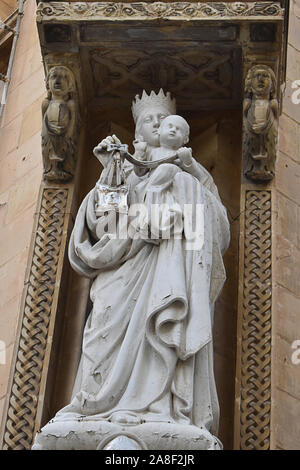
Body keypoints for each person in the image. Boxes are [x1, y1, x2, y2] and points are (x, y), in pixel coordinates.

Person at [36, 90, 230, 450]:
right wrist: (110, 176)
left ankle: (160, 405)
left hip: (167, 266)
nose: (157, 125)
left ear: (182, 134)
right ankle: (94, 403)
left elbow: (214, 229)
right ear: (137, 131)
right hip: (120, 271)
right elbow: (106, 226)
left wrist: (188, 181)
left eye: (165, 120)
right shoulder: (122, 171)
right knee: (102, 333)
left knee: (166, 318)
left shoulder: (191, 176)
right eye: (149, 120)